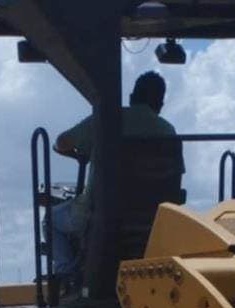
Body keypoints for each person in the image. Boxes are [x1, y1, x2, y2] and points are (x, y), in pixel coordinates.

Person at [50, 71, 181, 280]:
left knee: (50, 220)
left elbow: (62, 142)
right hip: (154, 217)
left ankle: (67, 273)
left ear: (131, 98)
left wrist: (77, 153)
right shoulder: (167, 130)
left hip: (102, 212)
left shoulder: (106, 120)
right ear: (160, 104)